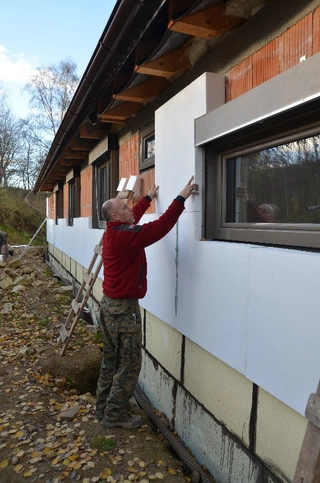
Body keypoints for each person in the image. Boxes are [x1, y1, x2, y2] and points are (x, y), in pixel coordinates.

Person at [96, 176, 199, 429]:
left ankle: (103, 408)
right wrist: (180, 197)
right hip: (122, 311)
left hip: (109, 306)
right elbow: (160, 227)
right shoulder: (125, 237)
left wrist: (148, 198)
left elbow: (134, 217)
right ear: (115, 218)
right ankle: (115, 415)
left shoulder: (115, 231)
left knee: (112, 359)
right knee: (130, 363)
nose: (129, 209)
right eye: (124, 208)